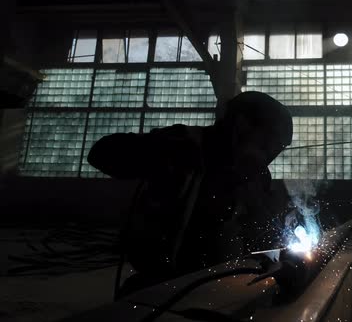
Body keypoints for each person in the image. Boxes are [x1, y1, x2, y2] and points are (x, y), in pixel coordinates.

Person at [87, 91, 293, 295]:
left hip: (220, 287)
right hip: (162, 286)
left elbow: (261, 229)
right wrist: (164, 152)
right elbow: (100, 153)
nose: (271, 155)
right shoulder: (185, 146)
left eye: (279, 148)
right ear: (242, 126)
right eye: (268, 144)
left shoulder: (257, 176)